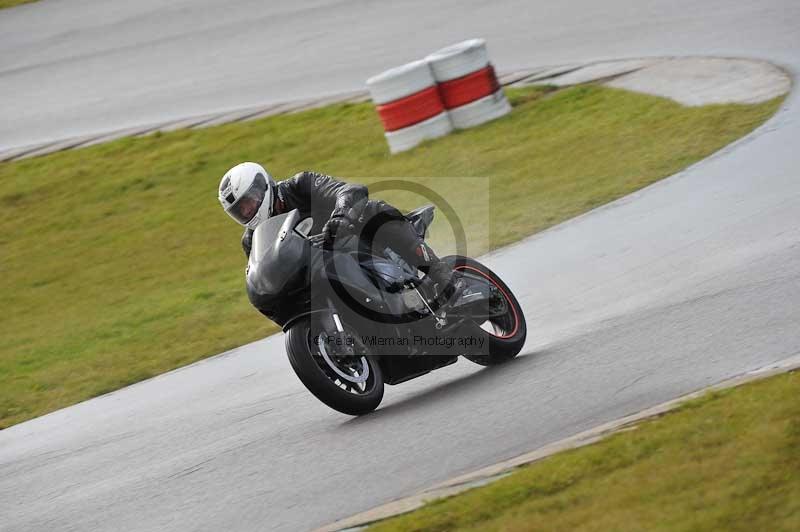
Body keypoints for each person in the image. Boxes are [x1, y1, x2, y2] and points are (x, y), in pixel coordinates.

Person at [217, 162, 461, 310]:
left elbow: (348, 190)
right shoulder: (251, 241)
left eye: (248, 203)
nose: (246, 212)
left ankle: (440, 272)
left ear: (262, 187)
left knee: (372, 210)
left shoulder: (299, 185)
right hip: (321, 273)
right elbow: (267, 274)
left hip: (354, 239)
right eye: (239, 211)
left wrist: (340, 217)